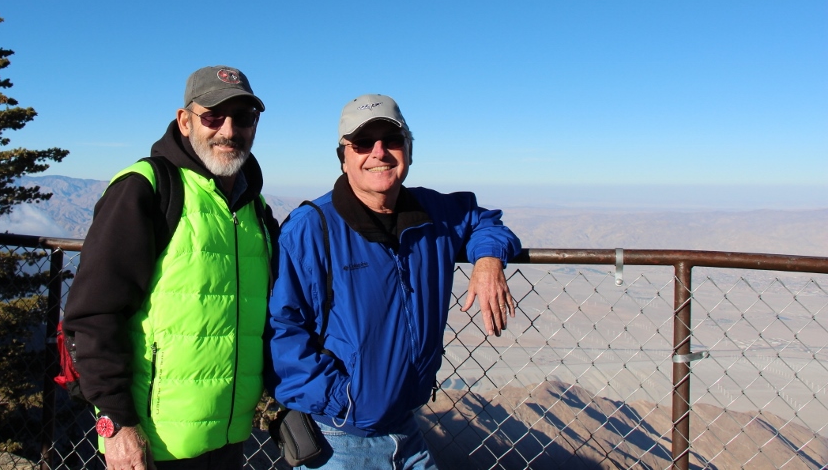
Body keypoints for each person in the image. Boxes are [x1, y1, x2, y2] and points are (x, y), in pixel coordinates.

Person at [266, 94, 523, 470]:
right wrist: (348, 400)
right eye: (363, 143)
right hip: (339, 437)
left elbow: (485, 221)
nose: (379, 152)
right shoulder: (312, 227)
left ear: (409, 150)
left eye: (392, 140)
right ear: (344, 156)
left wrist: (487, 259)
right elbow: (282, 329)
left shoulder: (431, 214)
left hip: (406, 427)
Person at [63, 65, 277, 470]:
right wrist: (117, 425)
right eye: (213, 115)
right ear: (185, 121)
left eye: (244, 117)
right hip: (153, 445)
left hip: (229, 439)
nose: (229, 130)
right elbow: (92, 316)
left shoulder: (255, 207)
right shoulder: (146, 189)